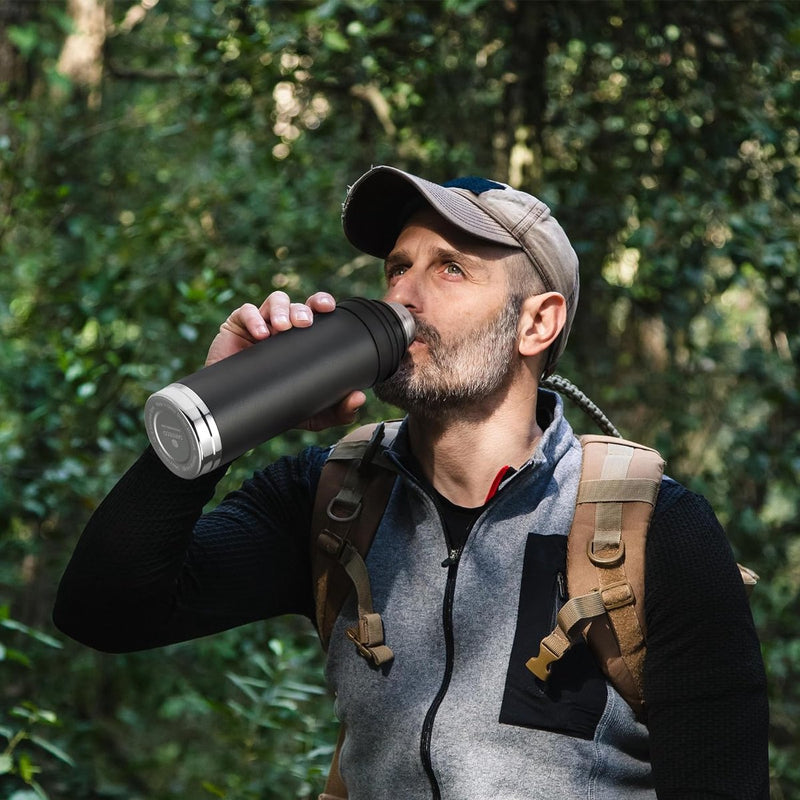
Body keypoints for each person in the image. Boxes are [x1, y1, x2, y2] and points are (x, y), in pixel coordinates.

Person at [54, 165, 769, 799]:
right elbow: (105, 610)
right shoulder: (332, 496)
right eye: (397, 267)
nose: (404, 296)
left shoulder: (651, 528)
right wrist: (222, 407)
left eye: (449, 268)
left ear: (537, 322)